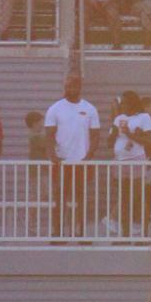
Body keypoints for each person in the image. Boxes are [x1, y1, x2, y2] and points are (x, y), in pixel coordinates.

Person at [44, 73, 100, 239]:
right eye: (68, 86)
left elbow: (96, 135)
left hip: (82, 163)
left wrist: (89, 155)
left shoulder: (90, 109)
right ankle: (58, 232)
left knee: (82, 198)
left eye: (74, 86)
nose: (70, 89)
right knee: (60, 197)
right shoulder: (55, 108)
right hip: (62, 162)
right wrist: (53, 157)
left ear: (79, 88)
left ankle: (81, 232)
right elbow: (48, 135)